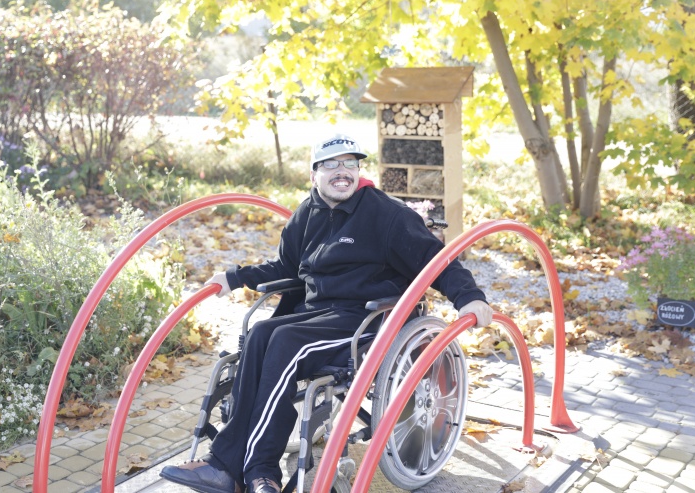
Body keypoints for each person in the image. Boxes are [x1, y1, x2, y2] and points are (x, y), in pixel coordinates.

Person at [161, 135, 493, 493]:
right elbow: (286, 267)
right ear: (314, 174)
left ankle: (258, 470)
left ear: (358, 170)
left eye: (350, 163)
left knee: (286, 342)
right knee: (260, 334)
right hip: (317, 314)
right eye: (331, 164)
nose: (342, 172)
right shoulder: (308, 212)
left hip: (367, 319)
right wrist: (234, 278)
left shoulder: (388, 215)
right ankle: (225, 466)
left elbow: (436, 261)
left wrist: (469, 297)